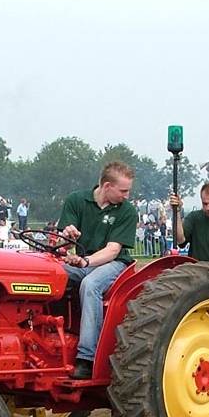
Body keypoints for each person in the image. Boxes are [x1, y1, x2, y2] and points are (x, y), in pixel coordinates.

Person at [58, 161, 137, 379]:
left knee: (90, 284)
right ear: (107, 186)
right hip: (83, 260)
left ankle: (87, 358)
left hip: (114, 264)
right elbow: (61, 242)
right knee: (53, 276)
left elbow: (113, 251)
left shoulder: (127, 211)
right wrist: (67, 235)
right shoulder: (76, 200)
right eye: (123, 191)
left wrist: (85, 262)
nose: (127, 196)